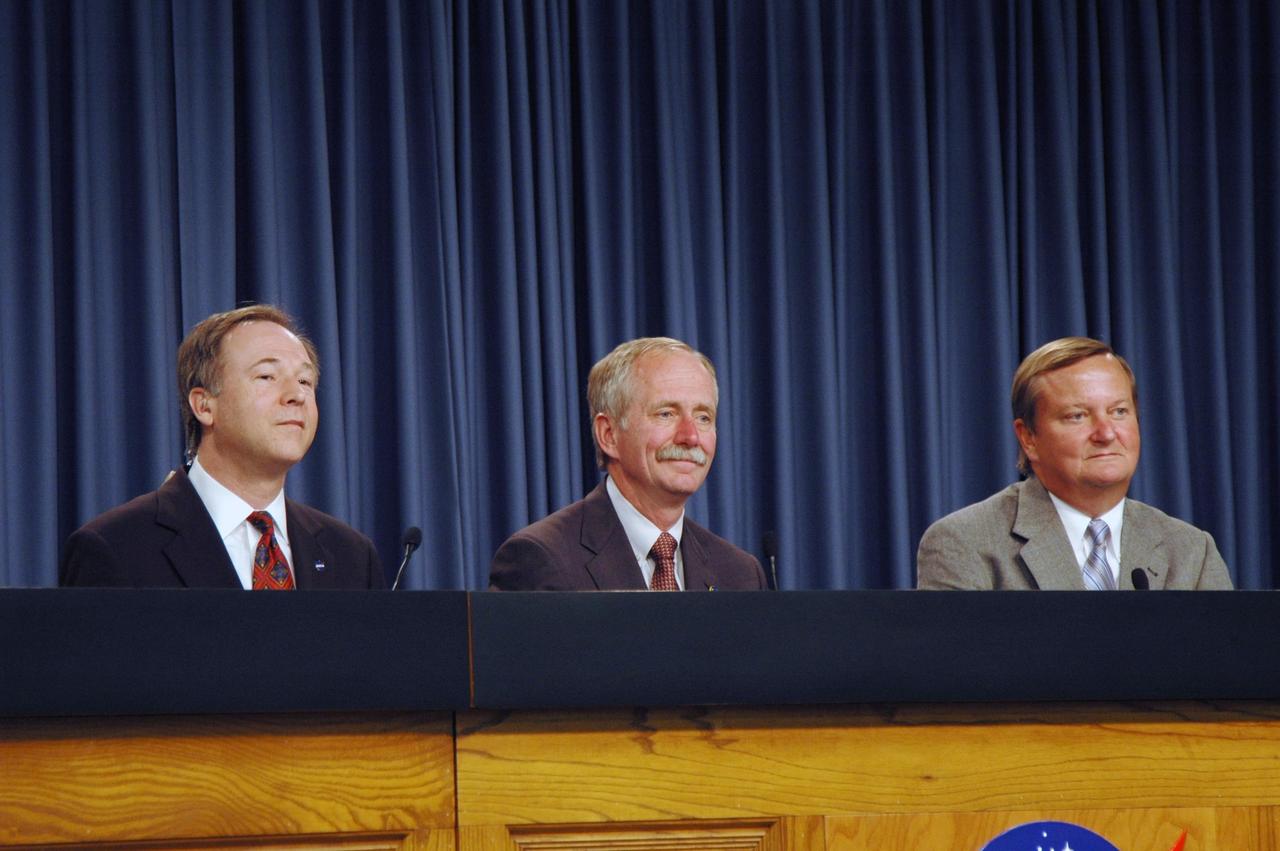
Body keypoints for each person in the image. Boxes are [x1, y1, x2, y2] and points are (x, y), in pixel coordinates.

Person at [60, 305, 385, 589]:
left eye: (305, 381)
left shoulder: (352, 557)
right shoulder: (116, 547)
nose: (296, 395)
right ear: (204, 406)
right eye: (266, 377)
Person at [917, 336, 1232, 590]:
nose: (1106, 433)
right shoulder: (965, 544)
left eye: (1119, 411)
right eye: (1077, 416)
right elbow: (957, 669)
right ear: (1028, 437)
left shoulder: (1192, 550)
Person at [489, 337, 766, 591]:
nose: (691, 436)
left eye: (704, 417)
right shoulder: (540, 559)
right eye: (666, 414)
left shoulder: (740, 574)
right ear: (608, 435)